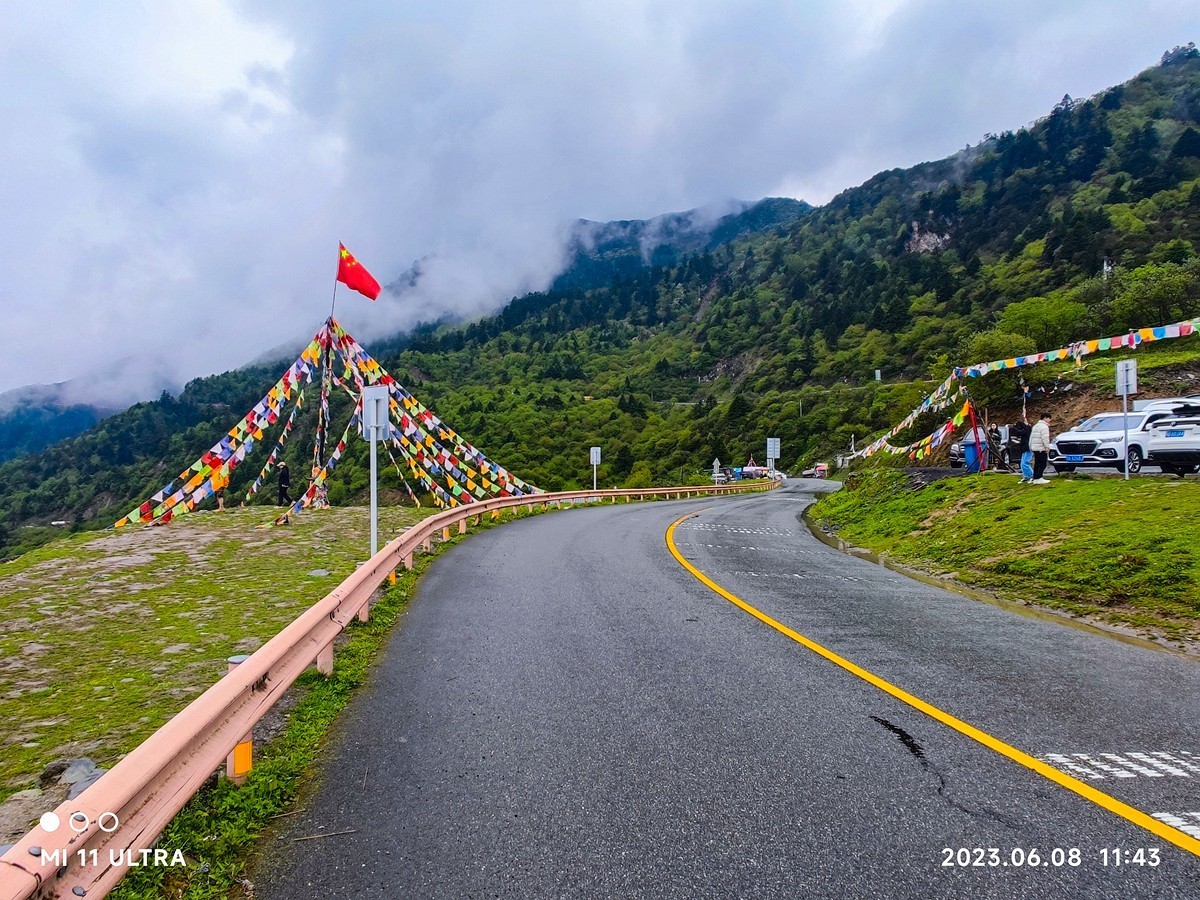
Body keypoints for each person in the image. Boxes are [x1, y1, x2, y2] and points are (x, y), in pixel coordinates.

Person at [1029, 412, 1053, 484]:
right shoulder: (1044, 427)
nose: (1050, 420)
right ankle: (1039, 478)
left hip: (1035, 448)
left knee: (1037, 463)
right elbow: (1045, 438)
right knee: (1042, 463)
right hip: (1041, 448)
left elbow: (1031, 437)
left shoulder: (1036, 426)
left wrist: (1030, 446)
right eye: (1049, 418)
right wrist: (1047, 447)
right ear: (1045, 418)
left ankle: (1035, 478)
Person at [1010, 417, 1033, 483]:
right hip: (1024, 448)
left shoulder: (1028, 429)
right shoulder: (1025, 429)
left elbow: (1021, 432)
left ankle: (1032, 476)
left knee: (1025, 463)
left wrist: (1026, 424)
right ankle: (1026, 476)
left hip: (1028, 448)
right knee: (1022, 463)